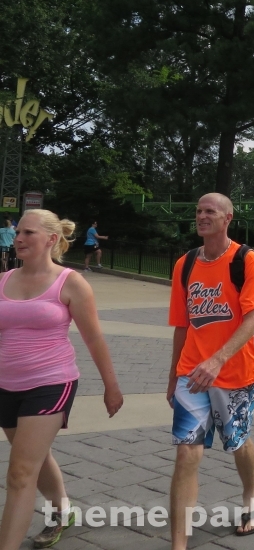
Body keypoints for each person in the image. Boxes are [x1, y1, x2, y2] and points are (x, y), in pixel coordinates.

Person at [0, 210, 123, 550]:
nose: (19, 238)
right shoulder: (3, 280)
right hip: (6, 385)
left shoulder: (70, 282)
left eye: (28, 232)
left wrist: (111, 387)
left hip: (51, 383)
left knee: (20, 473)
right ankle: (62, 511)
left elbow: (94, 338)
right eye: (18, 232)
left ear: (51, 239)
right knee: (34, 459)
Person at [168, 194, 254, 547]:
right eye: (198, 211)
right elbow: (182, 325)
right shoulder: (185, 264)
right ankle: (179, 544)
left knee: (238, 442)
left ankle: (250, 496)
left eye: (210, 211)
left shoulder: (246, 260)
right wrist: (173, 377)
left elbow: (253, 319)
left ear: (227, 218)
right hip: (192, 374)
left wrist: (218, 359)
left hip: (235, 373)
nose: (202, 216)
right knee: (186, 453)